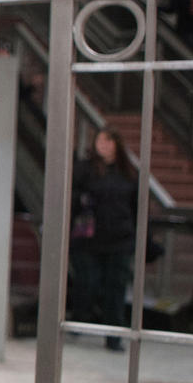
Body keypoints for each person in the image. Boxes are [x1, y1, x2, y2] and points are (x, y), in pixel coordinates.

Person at [69, 128, 137, 351]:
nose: (104, 146)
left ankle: (113, 336)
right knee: (88, 281)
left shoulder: (127, 173)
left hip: (119, 239)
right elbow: (71, 197)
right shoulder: (85, 169)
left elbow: (136, 206)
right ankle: (79, 318)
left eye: (109, 142)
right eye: (100, 141)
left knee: (115, 288)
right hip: (89, 238)